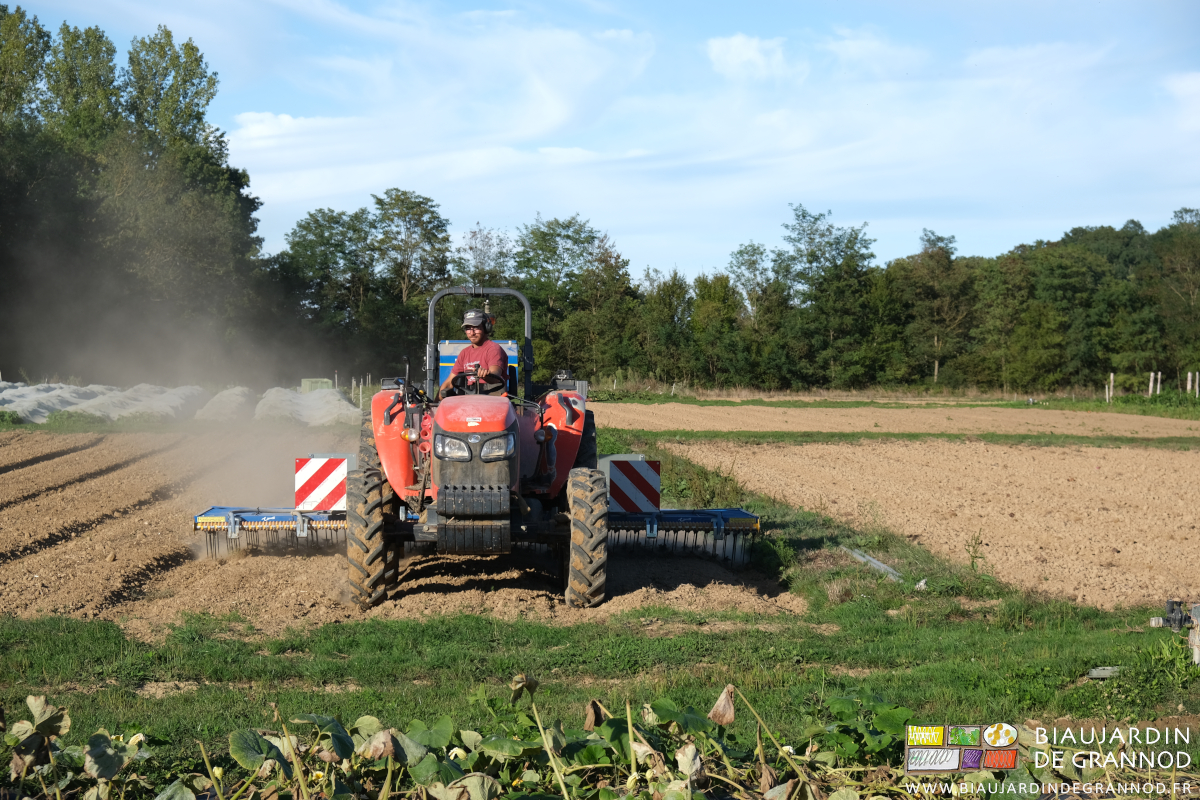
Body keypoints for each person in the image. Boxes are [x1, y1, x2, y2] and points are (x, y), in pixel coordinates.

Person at [440, 308, 508, 395]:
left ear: (486, 328)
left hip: (493, 398)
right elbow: (449, 382)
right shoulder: (464, 353)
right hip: (470, 397)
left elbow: (495, 375)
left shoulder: (493, 349)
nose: (471, 333)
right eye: (468, 328)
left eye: (476, 328)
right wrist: (433, 406)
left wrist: (487, 375)